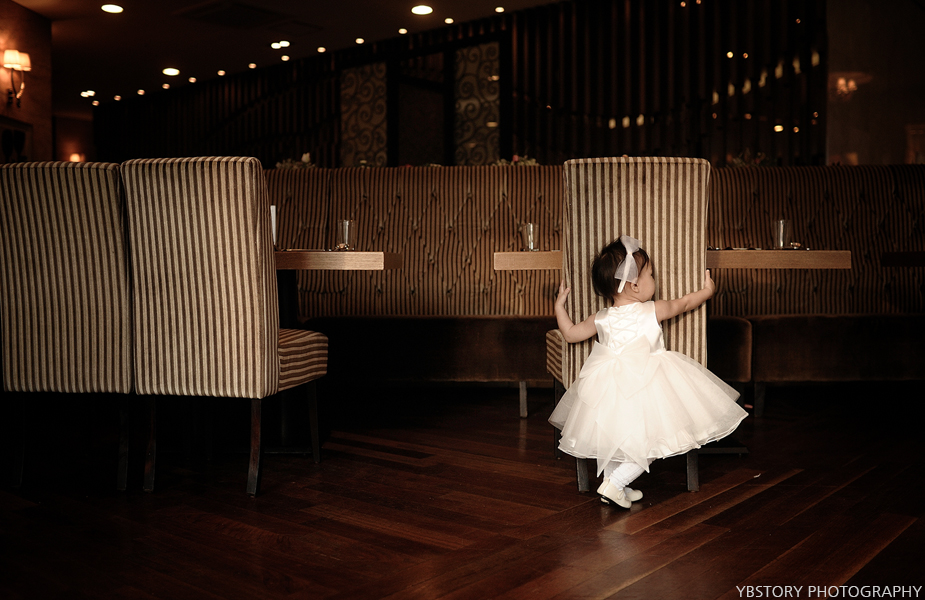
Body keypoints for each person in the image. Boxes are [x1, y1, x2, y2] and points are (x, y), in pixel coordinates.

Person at [549, 235, 748, 508]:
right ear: (634, 285)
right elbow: (684, 303)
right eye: (651, 275)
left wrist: (559, 307)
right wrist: (707, 291)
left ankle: (615, 485)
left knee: (613, 438)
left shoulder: (601, 318)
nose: (654, 280)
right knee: (654, 441)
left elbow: (571, 334)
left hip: (609, 389)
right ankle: (615, 483)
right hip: (650, 384)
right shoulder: (652, 310)